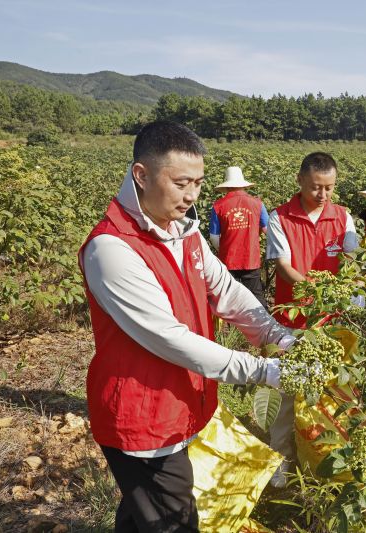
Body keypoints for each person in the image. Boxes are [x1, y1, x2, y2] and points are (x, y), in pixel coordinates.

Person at [79, 120, 299, 532]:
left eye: (198, 182)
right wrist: (265, 370)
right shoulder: (112, 250)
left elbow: (228, 294)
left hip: (176, 405)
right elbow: (171, 339)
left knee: (142, 512)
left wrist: (280, 337)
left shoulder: (185, 234)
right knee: (175, 520)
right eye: (181, 183)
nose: (192, 195)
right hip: (142, 420)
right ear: (141, 176)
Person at [264, 151, 358, 485]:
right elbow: (284, 268)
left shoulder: (343, 218)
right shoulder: (280, 218)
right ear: (300, 180)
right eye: (316, 187)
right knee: (286, 394)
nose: (322, 194)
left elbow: (352, 256)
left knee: (332, 394)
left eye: (329, 188)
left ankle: (322, 460)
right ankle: (281, 460)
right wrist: (319, 292)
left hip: (332, 325)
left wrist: (358, 280)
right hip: (291, 324)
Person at [209, 166, 270, 309]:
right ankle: (265, 328)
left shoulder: (218, 206)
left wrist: (225, 248)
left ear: (227, 186)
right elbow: (268, 230)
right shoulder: (257, 204)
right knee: (256, 296)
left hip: (228, 260)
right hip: (251, 258)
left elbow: (213, 236)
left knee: (229, 299)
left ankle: (233, 330)